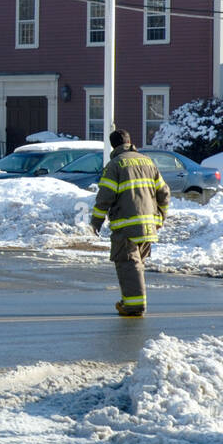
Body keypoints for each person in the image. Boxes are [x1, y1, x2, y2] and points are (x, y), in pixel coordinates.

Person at [90, 129, 170, 316]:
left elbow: (105, 197)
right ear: (130, 141)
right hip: (148, 226)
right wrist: (160, 218)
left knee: (128, 265)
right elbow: (164, 193)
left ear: (113, 145)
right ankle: (129, 301)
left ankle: (134, 306)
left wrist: (96, 221)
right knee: (136, 265)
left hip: (127, 227)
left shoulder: (115, 165)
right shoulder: (148, 162)